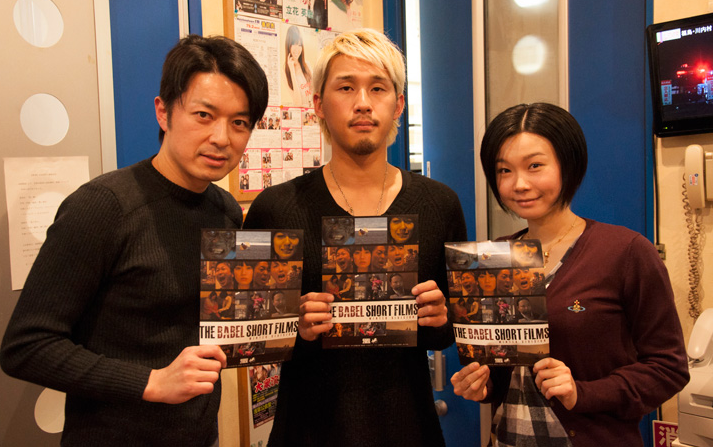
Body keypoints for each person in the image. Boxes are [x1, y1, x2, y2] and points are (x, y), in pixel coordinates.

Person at [0, 34, 268, 446]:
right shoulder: (103, 207)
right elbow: (26, 346)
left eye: (239, 123)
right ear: (163, 112)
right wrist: (150, 381)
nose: (221, 137)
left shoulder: (226, 211)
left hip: (198, 436)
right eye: (204, 115)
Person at [243, 28, 466, 446]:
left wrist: (441, 318)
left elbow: (450, 331)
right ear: (318, 104)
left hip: (409, 427)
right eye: (346, 87)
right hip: (306, 431)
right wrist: (296, 328)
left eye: (378, 88)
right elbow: (251, 338)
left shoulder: (439, 204)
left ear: (399, 104)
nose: (363, 102)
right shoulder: (277, 208)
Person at [450, 103, 689, 447]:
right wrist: (482, 385)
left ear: (568, 164)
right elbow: (505, 371)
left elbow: (669, 368)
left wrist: (584, 393)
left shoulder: (626, 251)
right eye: (504, 170)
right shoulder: (494, 258)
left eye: (535, 166)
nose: (519, 184)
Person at [284, 25, 313, 107]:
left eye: (300, 45)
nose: (297, 49)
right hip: (300, 112)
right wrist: (292, 71)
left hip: (312, 110)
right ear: (288, 45)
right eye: (294, 44)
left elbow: (315, 90)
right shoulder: (285, 71)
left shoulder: (307, 64)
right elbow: (298, 103)